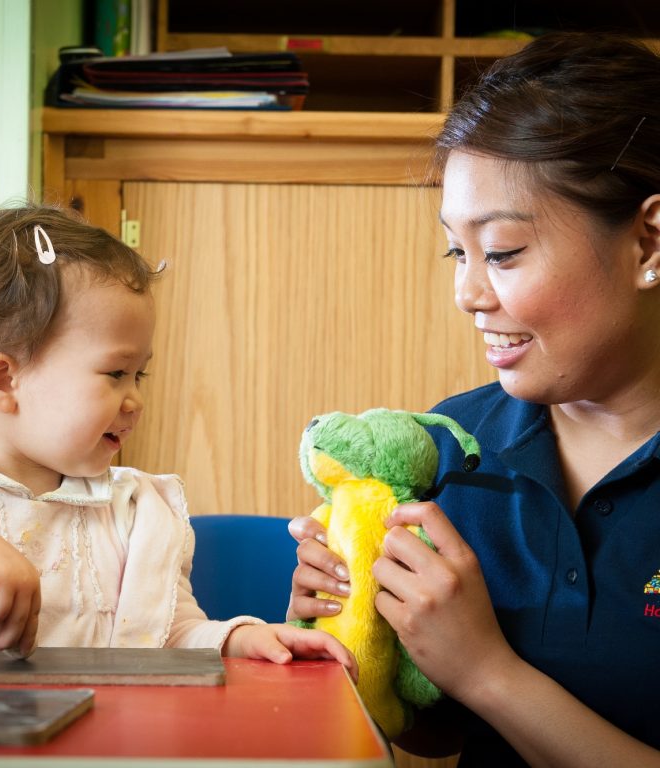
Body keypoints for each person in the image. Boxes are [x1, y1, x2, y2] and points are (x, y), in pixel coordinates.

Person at [287, 31, 660, 767]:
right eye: (458, 251)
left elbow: (477, 684)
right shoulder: (449, 446)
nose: (468, 293)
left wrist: (488, 671)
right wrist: (359, 641)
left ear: (648, 243)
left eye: (504, 252)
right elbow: (436, 731)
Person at [0, 204, 356, 679]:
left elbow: (166, 636)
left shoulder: (137, 512)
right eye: (116, 372)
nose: (135, 399)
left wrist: (244, 639)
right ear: (3, 380)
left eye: (140, 374)